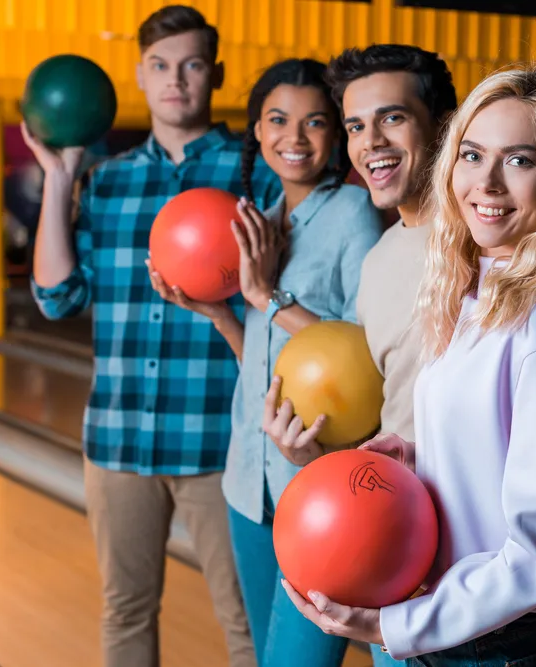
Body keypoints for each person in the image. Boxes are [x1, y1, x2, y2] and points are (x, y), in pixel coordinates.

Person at [281, 65, 536, 666]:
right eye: (473, 155)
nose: (487, 183)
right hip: (455, 637)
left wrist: (397, 625)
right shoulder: (475, 295)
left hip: (499, 649)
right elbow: (493, 449)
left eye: (520, 161)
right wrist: (414, 456)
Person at [25, 6, 281, 667]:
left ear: (214, 74)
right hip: (117, 441)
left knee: (246, 622)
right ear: (139, 75)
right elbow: (57, 297)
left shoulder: (255, 175)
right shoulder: (104, 182)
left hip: (220, 444)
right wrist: (59, 179)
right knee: (125, 612)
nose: (176, 80)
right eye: (161, 66)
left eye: (192, 64)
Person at [151, 57, 384, 666]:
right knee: (264, 655)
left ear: (335, 135)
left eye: (314, 123)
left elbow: (364, 352)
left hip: (313, 480)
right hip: (247, 479)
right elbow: (267, 360)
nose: (295, 138)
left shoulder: (351, 215)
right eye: (278, 120)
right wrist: (225, 317)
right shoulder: (258, 219)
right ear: (256, 129)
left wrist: (267, 298)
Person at [261, 45, 457, 665]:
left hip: (459, 566)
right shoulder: (379, 263)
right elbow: (371, 412)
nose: (371, 141)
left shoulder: (497, 246)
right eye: (355, 125)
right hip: (378, 529)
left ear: (444, 124)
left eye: (393, 118)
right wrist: (313, 447)